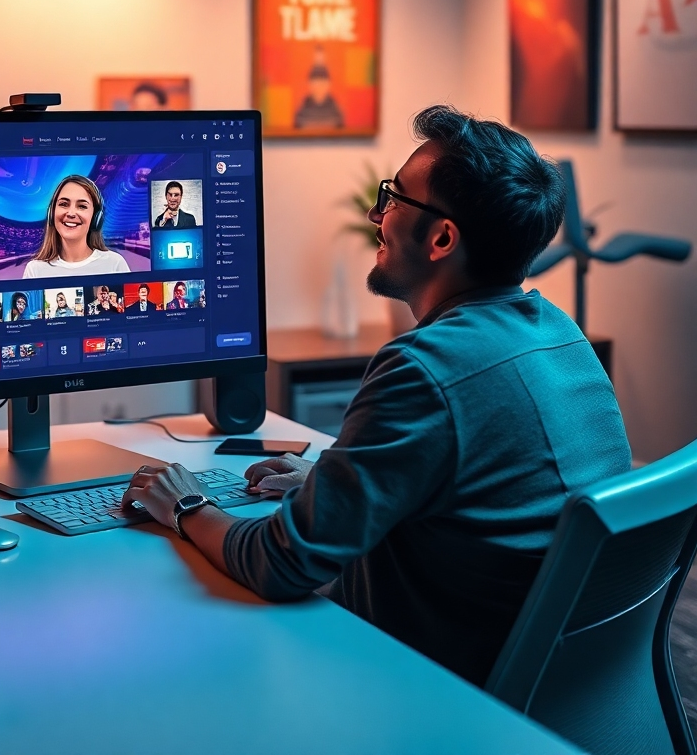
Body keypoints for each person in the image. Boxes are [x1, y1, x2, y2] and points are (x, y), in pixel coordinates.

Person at [122, 104, 631, 688]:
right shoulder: (556, 331)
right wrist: (330, 482)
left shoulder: (423, 368)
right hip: (561, 679)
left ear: (442, 237)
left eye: (395, 198)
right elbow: (479, 490)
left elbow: (280, 564)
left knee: (182, 655)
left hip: (434, 689)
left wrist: (186, 506)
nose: (375, 213)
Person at [23, 175, 130, 278]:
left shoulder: (115, 264)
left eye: (82, 206)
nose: (71, 213)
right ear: (51, 213)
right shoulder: (35, 269)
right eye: (64, 204)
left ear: (96, 217)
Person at [294, 45, 344, 130]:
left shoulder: (335, 110)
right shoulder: (303, 110)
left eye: (323, 83)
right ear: (310, 84)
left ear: (328, 85)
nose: (319, 86)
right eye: (315, 82)